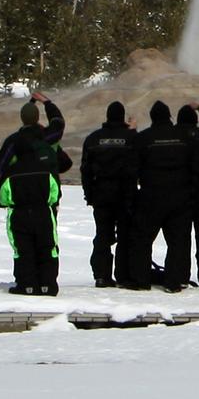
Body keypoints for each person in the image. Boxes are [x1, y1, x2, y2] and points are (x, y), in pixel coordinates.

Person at [132, 101, 199, 292]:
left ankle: (141, 280)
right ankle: (174, 281)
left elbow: (133, 166)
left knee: (143, 239)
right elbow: (196, 166)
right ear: (169, 116)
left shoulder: (143, 138)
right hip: (180, 196)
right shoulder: (185, 137)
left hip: (151, 195)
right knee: (178, 241)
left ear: (152, 117)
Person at [0, 98, 67, 294]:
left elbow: (1, 167)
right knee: (47, 244)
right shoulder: (47, 136)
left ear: (22, 119)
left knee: (24, 246)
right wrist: (48, 103)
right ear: (37, 118)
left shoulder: (13, 142)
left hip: (20, 202)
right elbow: (59, 123)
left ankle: (27, 284)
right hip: (45, 201)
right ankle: (47, 284)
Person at [80, 100, 139, 288]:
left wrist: (89, 194)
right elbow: (138, 162)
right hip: (125, 194)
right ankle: (123, 275)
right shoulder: (130, 138)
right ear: (123, 117)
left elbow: (85, 170)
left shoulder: (93, 139)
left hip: (101, 194)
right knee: (125, 234)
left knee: (102, 234)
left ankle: (101, 275)